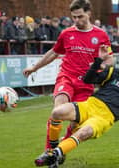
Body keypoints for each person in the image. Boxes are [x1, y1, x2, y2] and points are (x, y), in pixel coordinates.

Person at [23, 0, 114, 153]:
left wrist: (102, 65)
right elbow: (54, 52)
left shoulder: (101, 35)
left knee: (75, 123)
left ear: (89, 13)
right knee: (58, 110)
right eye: (74, 17)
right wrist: (34, 67)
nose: (77, 21)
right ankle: (49, 150)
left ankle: (60, 150)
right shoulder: (67, 33)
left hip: (86, 83)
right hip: (66, 77)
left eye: (80, 17)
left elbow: (110, 59)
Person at [34, 45, 118, 167]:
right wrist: (98, 60)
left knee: (84, 132)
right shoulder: (114, 73)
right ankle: (53, 149)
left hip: (105, 117)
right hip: (91, 104)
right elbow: (87, 79)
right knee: (57, 112)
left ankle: (54, 154)